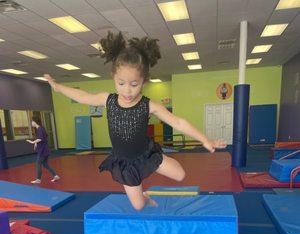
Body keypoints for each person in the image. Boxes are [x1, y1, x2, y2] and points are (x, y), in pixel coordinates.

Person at [44, 31, 226, 210]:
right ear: (113, 77)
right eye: (121, 83)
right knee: (138, 205)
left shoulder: (148, 105)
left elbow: (177, 122)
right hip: (125, 162)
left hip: (145, 154)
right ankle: (144, 195)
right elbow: (82, 96)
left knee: (180, 175)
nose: (127, 91)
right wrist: (58, 87)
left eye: (134, 84)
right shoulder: (108, 100)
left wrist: (204, 139)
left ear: (144, 81)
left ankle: (153, 163)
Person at [26, 116, 60, 184]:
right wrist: (36, 143)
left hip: (43, 151)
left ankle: (38, 179)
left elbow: (41, 138)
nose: (31, 123)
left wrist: (33, 142)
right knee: (45, 164)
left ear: (35, 122)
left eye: (32, 121)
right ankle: (55, 176)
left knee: (38, 163)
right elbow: (44, 137)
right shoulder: (41, 128)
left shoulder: (39, 129)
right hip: (45, 150)